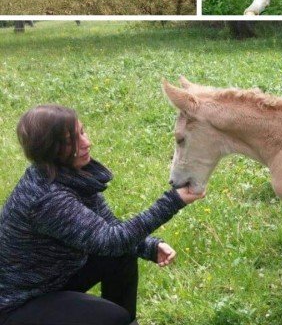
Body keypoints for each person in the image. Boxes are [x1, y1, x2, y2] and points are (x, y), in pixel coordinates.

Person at [0, 105, 202, 325]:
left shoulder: (68, 175)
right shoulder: (47, 198)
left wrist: (148, 246)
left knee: (121, 254)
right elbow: (111, 241)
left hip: (53, 278)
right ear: (49, 149)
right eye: (70, 141)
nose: (86, 143)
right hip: (20, 303)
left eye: (82, 132)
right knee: (113, 317)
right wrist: (173, 201)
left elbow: (109, 229)